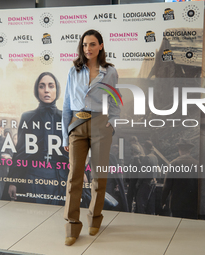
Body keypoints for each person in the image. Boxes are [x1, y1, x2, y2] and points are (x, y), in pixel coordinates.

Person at [62, 29, 120, 246]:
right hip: (77, 124)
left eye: (93, 44)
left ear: (101, 46)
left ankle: (95, 218)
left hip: (100, 124)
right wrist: (65, 135)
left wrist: (112, 122)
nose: (88, 48)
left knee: (98, 176)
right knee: (74, 177)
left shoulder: (110, 71)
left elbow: (114, 100)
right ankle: (71, 226)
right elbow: (67, 104)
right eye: (85, 44)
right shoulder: (74, 71)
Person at [3, 72, 68, 205]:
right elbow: (20, 152)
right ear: (36, 90)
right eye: (41, 86)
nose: (46, 90)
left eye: (51, 86)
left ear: (57, 90)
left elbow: (72, 151)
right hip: (33, 177)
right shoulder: (28, 117)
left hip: (60, 179)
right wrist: (13, 181)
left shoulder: (65, 118)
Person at [162, 138, 198, 219]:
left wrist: (162, 202)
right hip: (193, 205)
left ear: (179, 149)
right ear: (190, 150)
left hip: (177, 205)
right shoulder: (197, 164)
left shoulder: (173, 164)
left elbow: (167, 186)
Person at [136, 140, 158, 215]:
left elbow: (142, 173)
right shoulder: (155, 157)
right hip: (153, 183)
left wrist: (138, 182)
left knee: (141, 202)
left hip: (145, 183)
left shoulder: (147, 157)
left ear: (145, 148)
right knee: (150, 204)